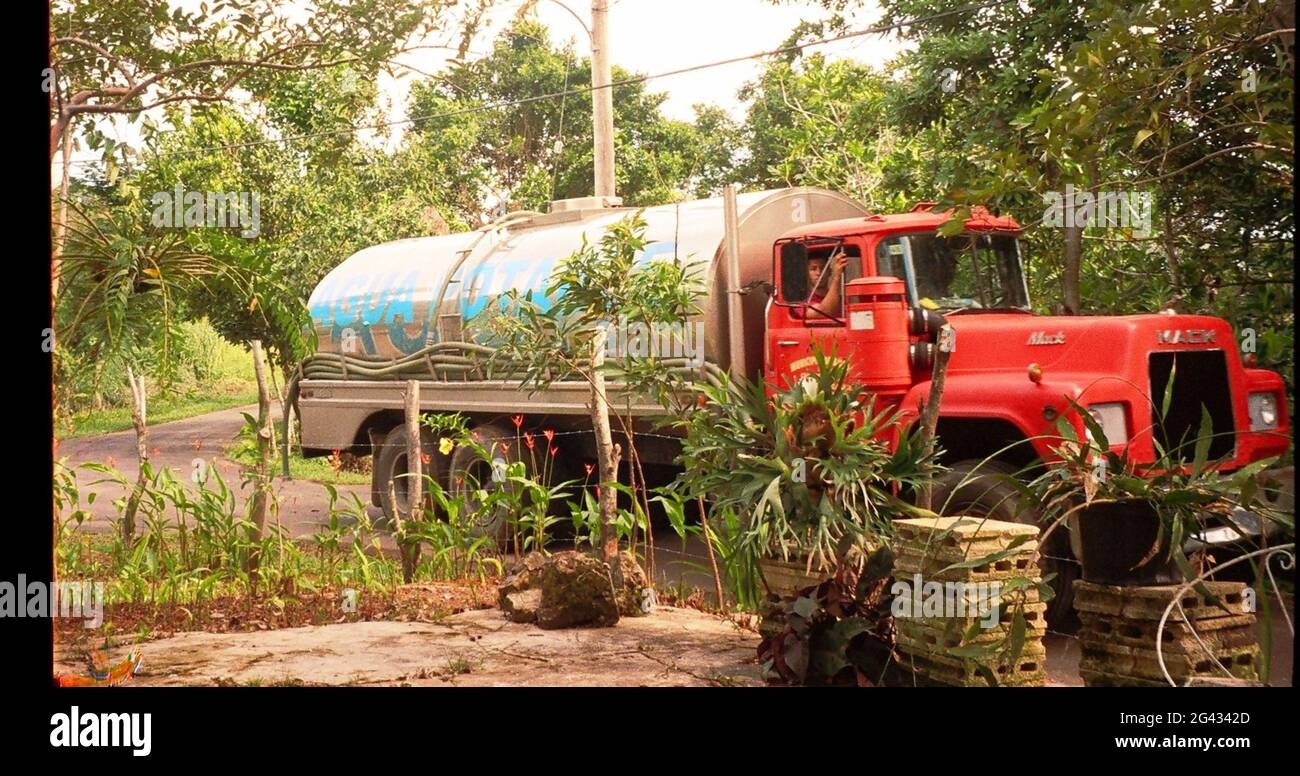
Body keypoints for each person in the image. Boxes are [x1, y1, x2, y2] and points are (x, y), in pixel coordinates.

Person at [792, 250, 849, 320]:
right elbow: (823, 313)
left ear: (829, 272)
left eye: (823, 268)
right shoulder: (801, 301)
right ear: (806, 274)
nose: (819, 273)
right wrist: (837, 277)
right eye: (813, 269)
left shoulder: (841, 301)